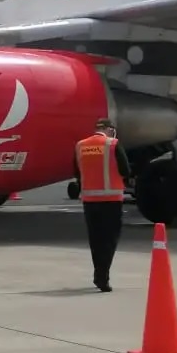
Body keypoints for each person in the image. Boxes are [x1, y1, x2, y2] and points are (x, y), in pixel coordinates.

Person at [73, 117, 131, 292]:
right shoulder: (113, 144)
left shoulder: (80, 146)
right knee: (109, 240)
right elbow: (125, 170)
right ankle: (102, 276)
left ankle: (99, 274)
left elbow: (77, 172)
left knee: (96, 240)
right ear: (110, 129)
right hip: (111, 200)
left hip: (90, 201)